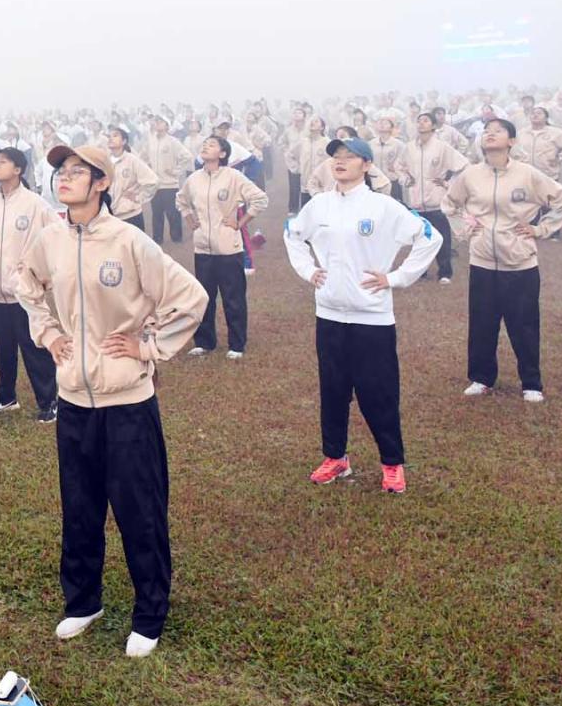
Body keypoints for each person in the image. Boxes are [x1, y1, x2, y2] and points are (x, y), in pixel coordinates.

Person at [17, 143, 208, 659]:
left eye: (77, 171)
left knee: (139, 510)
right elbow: (25, 285)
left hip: (127, 403)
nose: (64, 178)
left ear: (101, 182)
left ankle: (149, 614)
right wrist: (48, 333)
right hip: (74, 401)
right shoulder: (50, 239)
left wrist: (148, 347)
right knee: (79, 508)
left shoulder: (129, 240)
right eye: (60, 171)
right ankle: (83, 603)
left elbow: (191, 298)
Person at [283, 137, 443, 493]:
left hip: (372, 319)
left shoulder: (383, 206)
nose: (340, 162)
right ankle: (335, 458)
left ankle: (392, 463)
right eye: (335, 156)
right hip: (329, 316)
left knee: (378, 393)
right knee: (333, 391)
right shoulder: (319, 205)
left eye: (349, 156)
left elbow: (430, 237)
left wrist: (396, 277)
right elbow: (292, 233)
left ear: (367, 165)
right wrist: (309, 270)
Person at [445, 118, 562, 402]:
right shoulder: (470, 175)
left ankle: (531, 383)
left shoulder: (527, 174)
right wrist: (466, 230)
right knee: (482, 323)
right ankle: (481, 378)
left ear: (512, 141)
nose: (490, 134)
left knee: (524, 324)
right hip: (482, 262)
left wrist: (540, 229)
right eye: (487, 131)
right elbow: (449, 204)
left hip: (519, 263)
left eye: (498, 131)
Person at [0, 146, 59, 420]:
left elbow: (57, 237)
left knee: (34, 347)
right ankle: (6, 397)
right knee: (3, 348)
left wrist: (39, 272)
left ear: (18, 169)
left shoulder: (34, 204)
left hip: (24, 292)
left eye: (3, 162)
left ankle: (50, 402)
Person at [177, 136, 268, 359]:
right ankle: (204, 342)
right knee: (203, 297)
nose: (205, 146)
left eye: (212, 145)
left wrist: (240, 222)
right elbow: (181, 200)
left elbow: (260, 199)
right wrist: (189, 218)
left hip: (228, 248)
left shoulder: (233, 177)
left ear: (223, 154)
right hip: (202, 249)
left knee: (233, 299)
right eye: (204, 144)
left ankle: (236, 344)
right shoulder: (194, 179)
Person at [396, 112, 467, 284]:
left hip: (437, 201)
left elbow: (463, 166)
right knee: (419, 239)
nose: (421, 123)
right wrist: (405, 179)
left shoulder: (442, 147)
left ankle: (445, 272)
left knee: (442, 238)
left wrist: (448, 183)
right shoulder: (409, 147)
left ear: (434, 126)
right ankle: (420, 272)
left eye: (425, 121)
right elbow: (398, 166)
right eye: (419, 120)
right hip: (416, 201)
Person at [139, 116, 193, 244]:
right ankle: (157, 238)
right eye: (156, 122)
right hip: (155, 184)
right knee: (156, 213)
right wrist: (148, 168)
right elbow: (141, 157)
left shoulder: (173, 141)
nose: (157, 124)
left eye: (161, 122)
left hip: (170, 184)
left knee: (172, 213)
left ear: (167, 126)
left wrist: (176, 171)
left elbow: (188, 157)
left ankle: (176, 238)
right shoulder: (150, 141)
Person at [107, 128, 160, 231]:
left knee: (135, 242)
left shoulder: (132, 160)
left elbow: (153, 181)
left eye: (115, 135)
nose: (111, 138)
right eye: (109, 136)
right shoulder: (105, 161)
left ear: (124, 141)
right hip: (111, 216)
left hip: (131, 215)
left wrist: (139, 197)